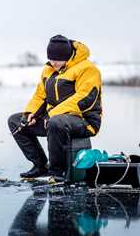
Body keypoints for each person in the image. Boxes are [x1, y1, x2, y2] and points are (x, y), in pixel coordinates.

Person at [7, 34, 102, 179]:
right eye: (51, 59)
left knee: (55, 122)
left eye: (58, 60)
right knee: (15, 121)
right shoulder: (48, 70)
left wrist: (52, 114)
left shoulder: (88, 69)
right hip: (53, 120)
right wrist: (30, 114)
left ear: (68, 56)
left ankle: (57, 172)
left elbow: (85, 98)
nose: (54, 63)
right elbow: (40, 95)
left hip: (84, 120)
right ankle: (40, 166)